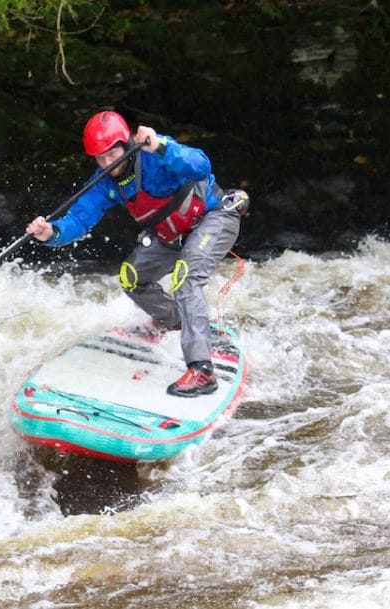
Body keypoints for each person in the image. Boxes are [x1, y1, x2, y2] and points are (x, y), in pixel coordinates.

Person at [26, 110, 248, 397]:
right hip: (171, 236)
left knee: (186, 277)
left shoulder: (155, 150)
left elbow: (201, 166)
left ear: (125, 142)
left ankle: (202, 370)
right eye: (100, 158)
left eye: (112, 153)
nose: (108, 163)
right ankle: (177, 322)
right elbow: (80, 218)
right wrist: (51, 233)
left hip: (213, 218)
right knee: (131, 277)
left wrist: (162, 146)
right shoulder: (104, 180)